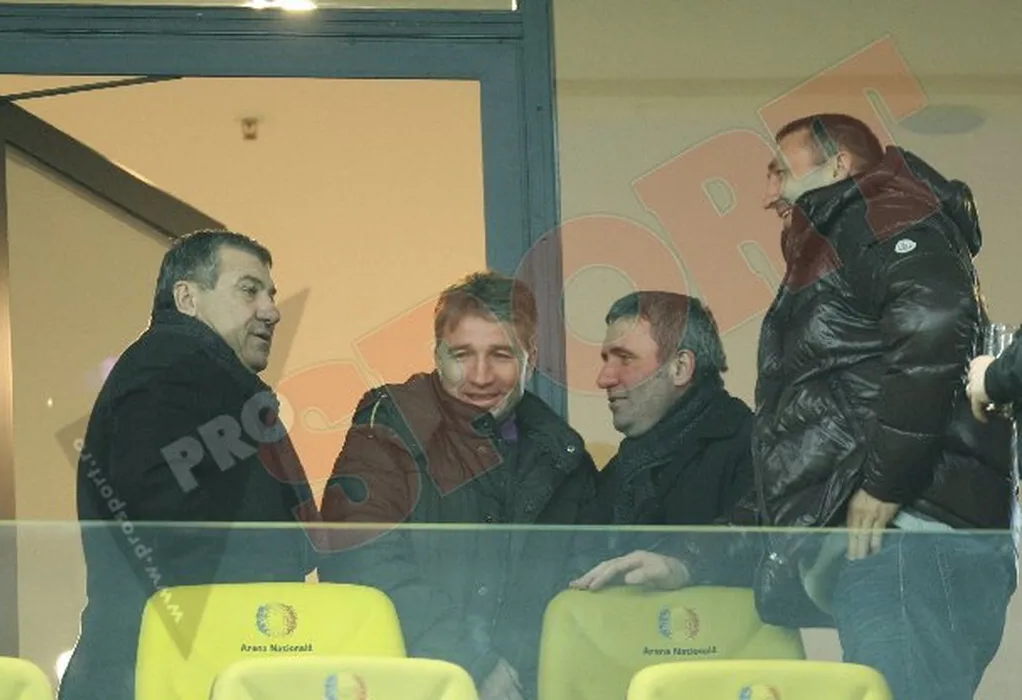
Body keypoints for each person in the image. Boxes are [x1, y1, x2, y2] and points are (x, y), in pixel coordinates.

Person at [572, 114, 1017, 700]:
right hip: (908, 549)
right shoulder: (854, 231)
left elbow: (934, 321)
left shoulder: (878, 213)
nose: (768, 193)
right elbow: (811, 454)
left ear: (838, 167)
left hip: (908, 546)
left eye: (781, 171)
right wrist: (688, 559)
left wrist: (885, 483)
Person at [59, 230, 319, 700]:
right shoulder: (173, 373)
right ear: (187, 298)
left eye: (271, 294)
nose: (271, 310)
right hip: (171, 672)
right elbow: (168, 533)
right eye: (249, 290)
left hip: (166, 665)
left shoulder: (191, 376)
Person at [319, 271, 599, 700]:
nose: (480, 376)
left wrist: (522, 675)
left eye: (501, 354)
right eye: (462, 355)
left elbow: (582, 586)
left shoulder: (563, 455)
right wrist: (475, 664)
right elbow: (358, 561)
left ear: (531, 357)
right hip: (408, 687)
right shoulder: (392, 426)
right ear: (437, 355)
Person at [569, 291, 751, 586]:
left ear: (680, 368)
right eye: (606, 359)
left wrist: (684, 564)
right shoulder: (623, 468)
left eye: (625, 359)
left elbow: (762, 546)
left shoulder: (755, 449)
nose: (604, 378)